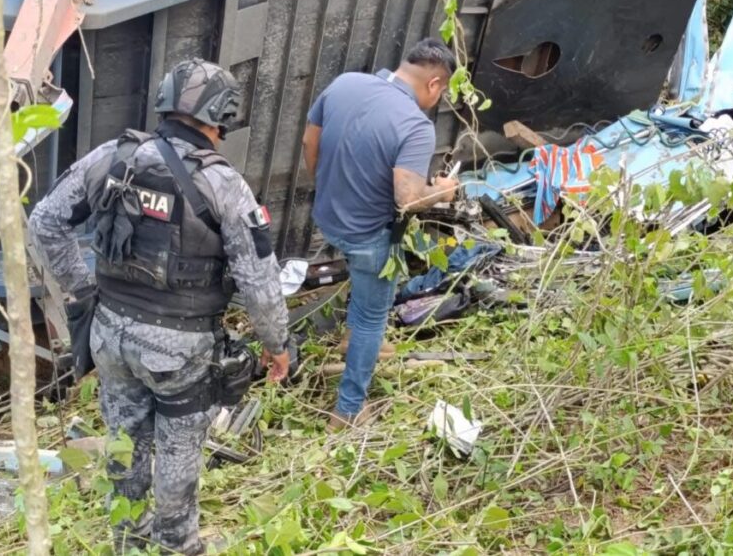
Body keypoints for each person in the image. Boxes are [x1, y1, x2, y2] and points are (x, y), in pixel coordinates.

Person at [29, 59, 290, 555]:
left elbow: (44, 222)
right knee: (177, 453)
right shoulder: (224, 185)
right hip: (180, 351)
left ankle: (127, 542)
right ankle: (177, 546)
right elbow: (259, 280)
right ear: (221, 117)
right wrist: (278, 345)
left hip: (109, 338)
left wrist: (83, 291)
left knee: (124, 445)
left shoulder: (112, 157)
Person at [303, 38, 458, 430]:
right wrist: (443, 191)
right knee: (373, 315)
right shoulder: (416, 127)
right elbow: (408, 198)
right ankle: (349, 409)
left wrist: (328, 187)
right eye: (441, 93)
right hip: (367, 237)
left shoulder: (345, 83)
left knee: (376, 283)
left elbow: (310, 142)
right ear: (435, 84)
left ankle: (351, 339)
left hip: (328, 219)